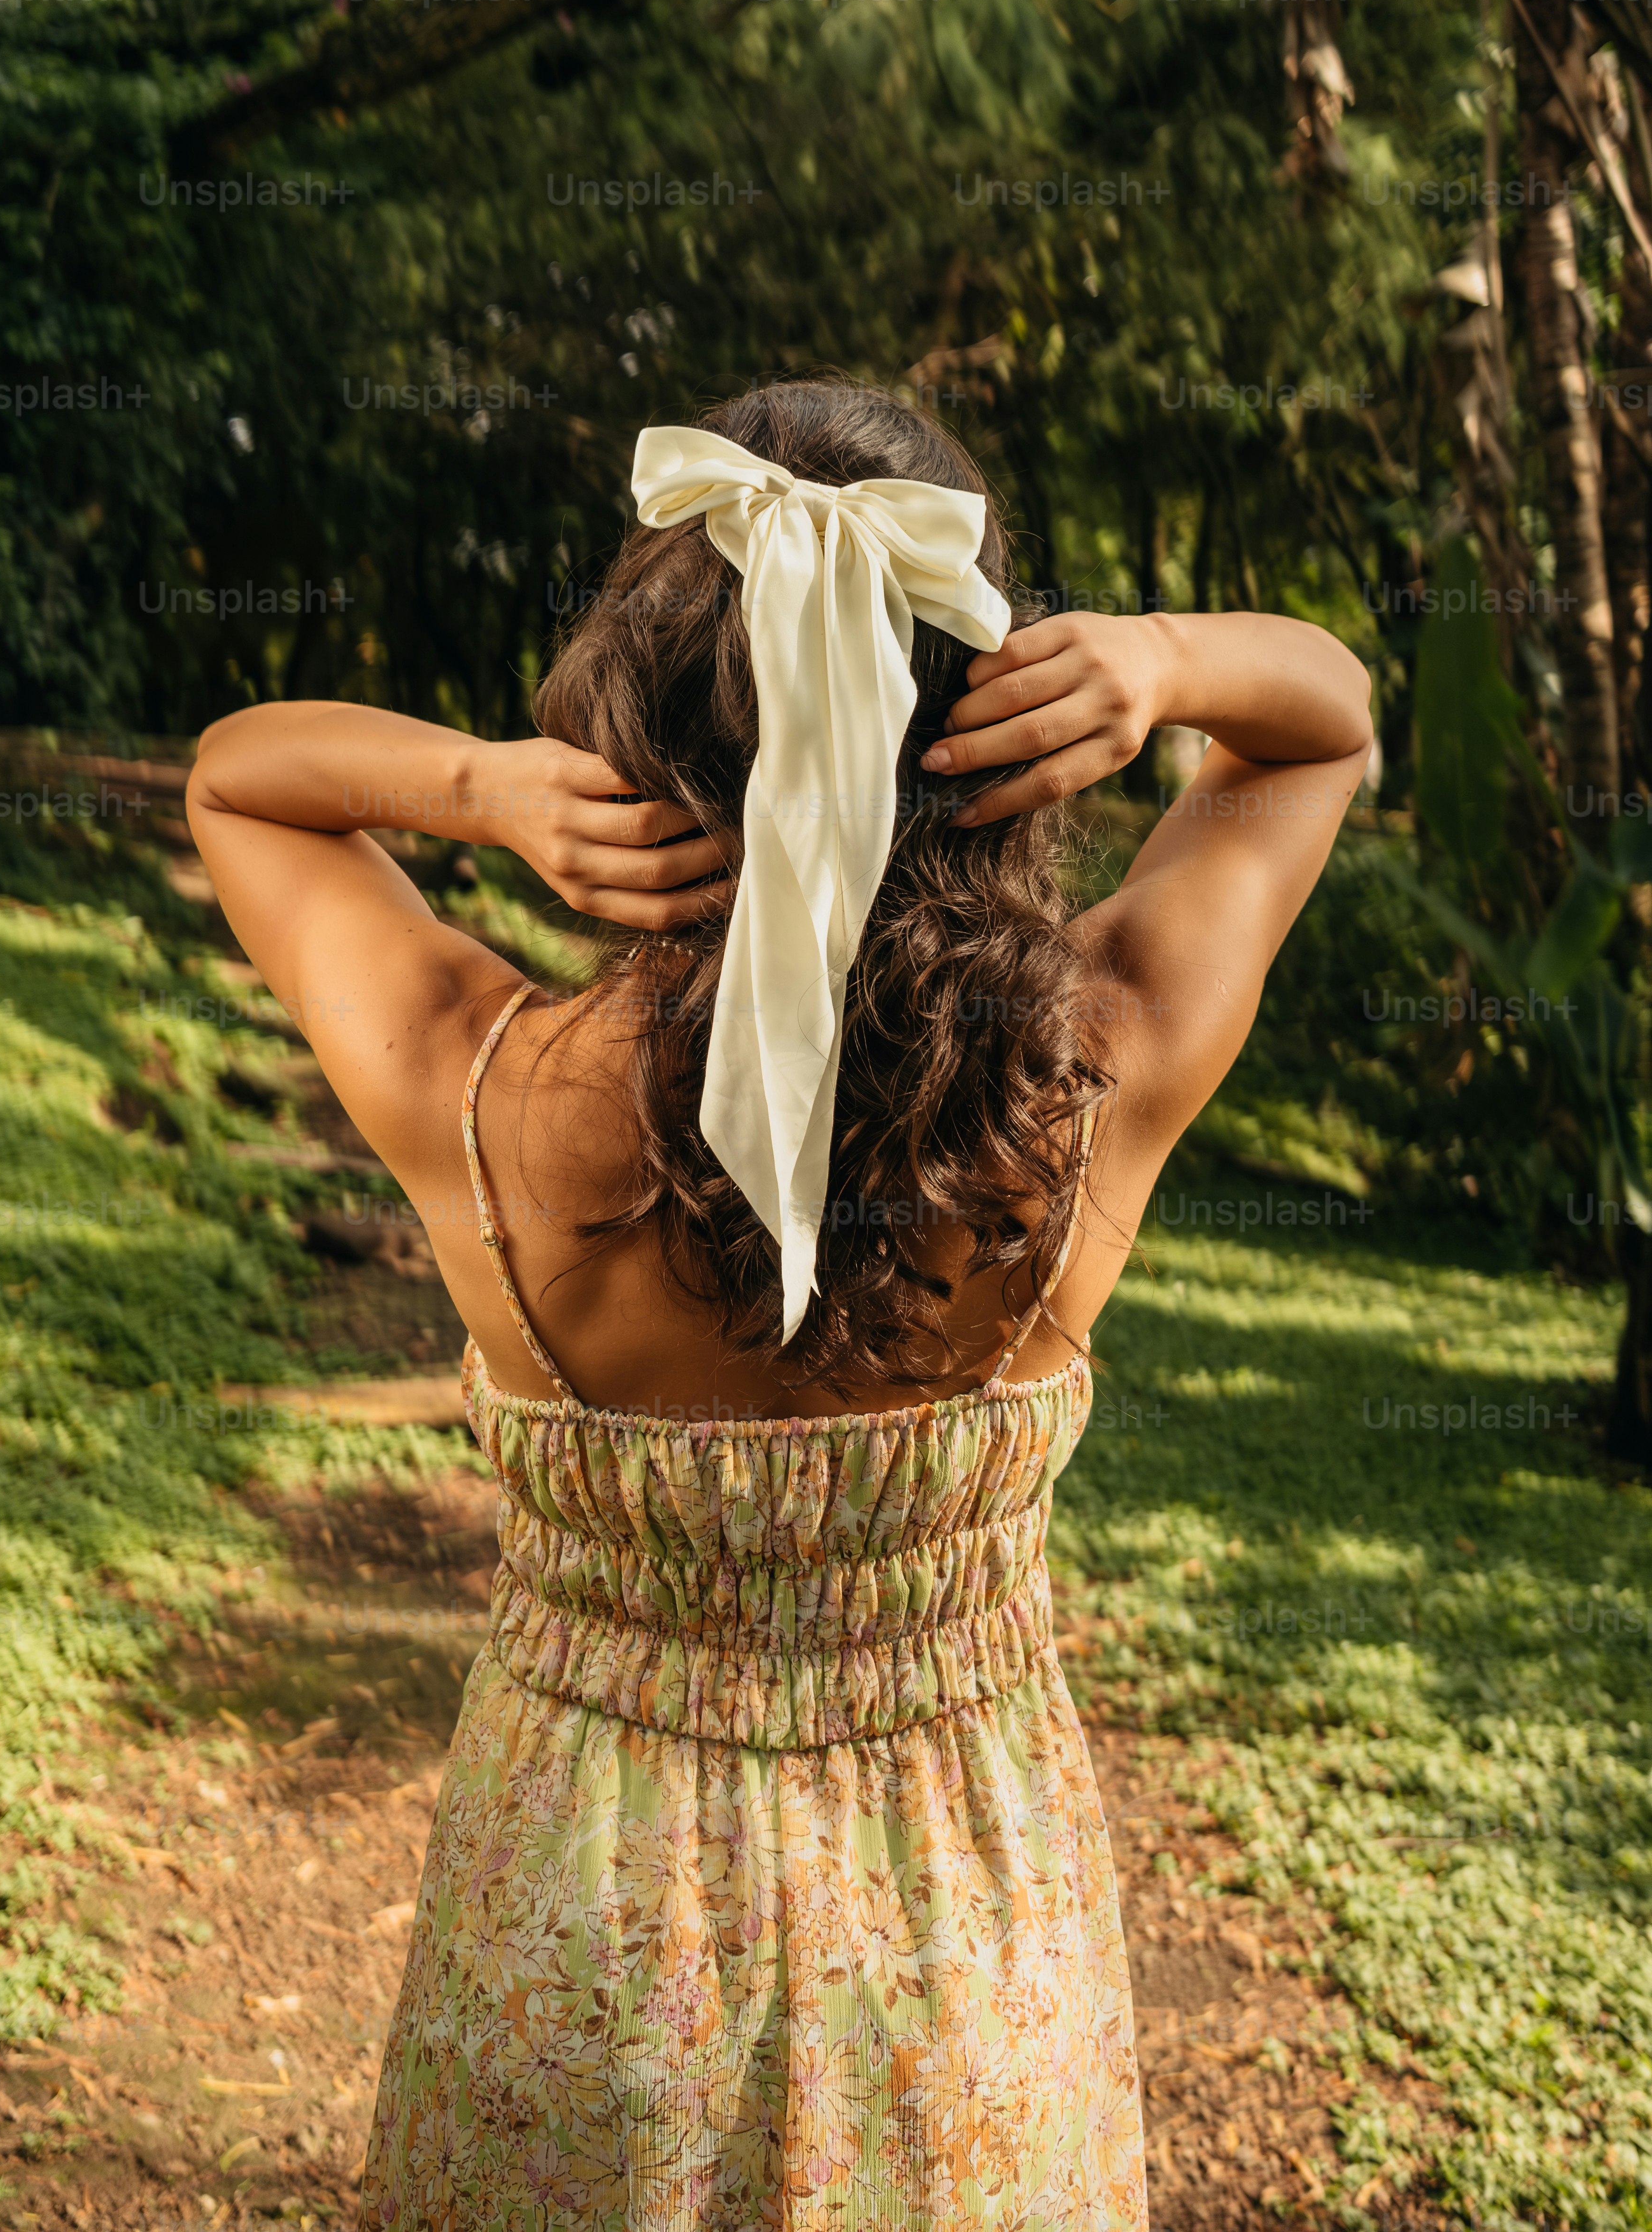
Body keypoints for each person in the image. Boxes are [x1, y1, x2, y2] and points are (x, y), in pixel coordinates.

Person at [187, 380, 1372, 2229]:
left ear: (633, 726)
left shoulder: (472, 1080)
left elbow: (240, 781)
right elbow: (1323, 727)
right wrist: (1162, 657)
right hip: (963, 1965)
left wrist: (488, 789)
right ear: (997, 718)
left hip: (577, 1950)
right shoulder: (1100, 1070)